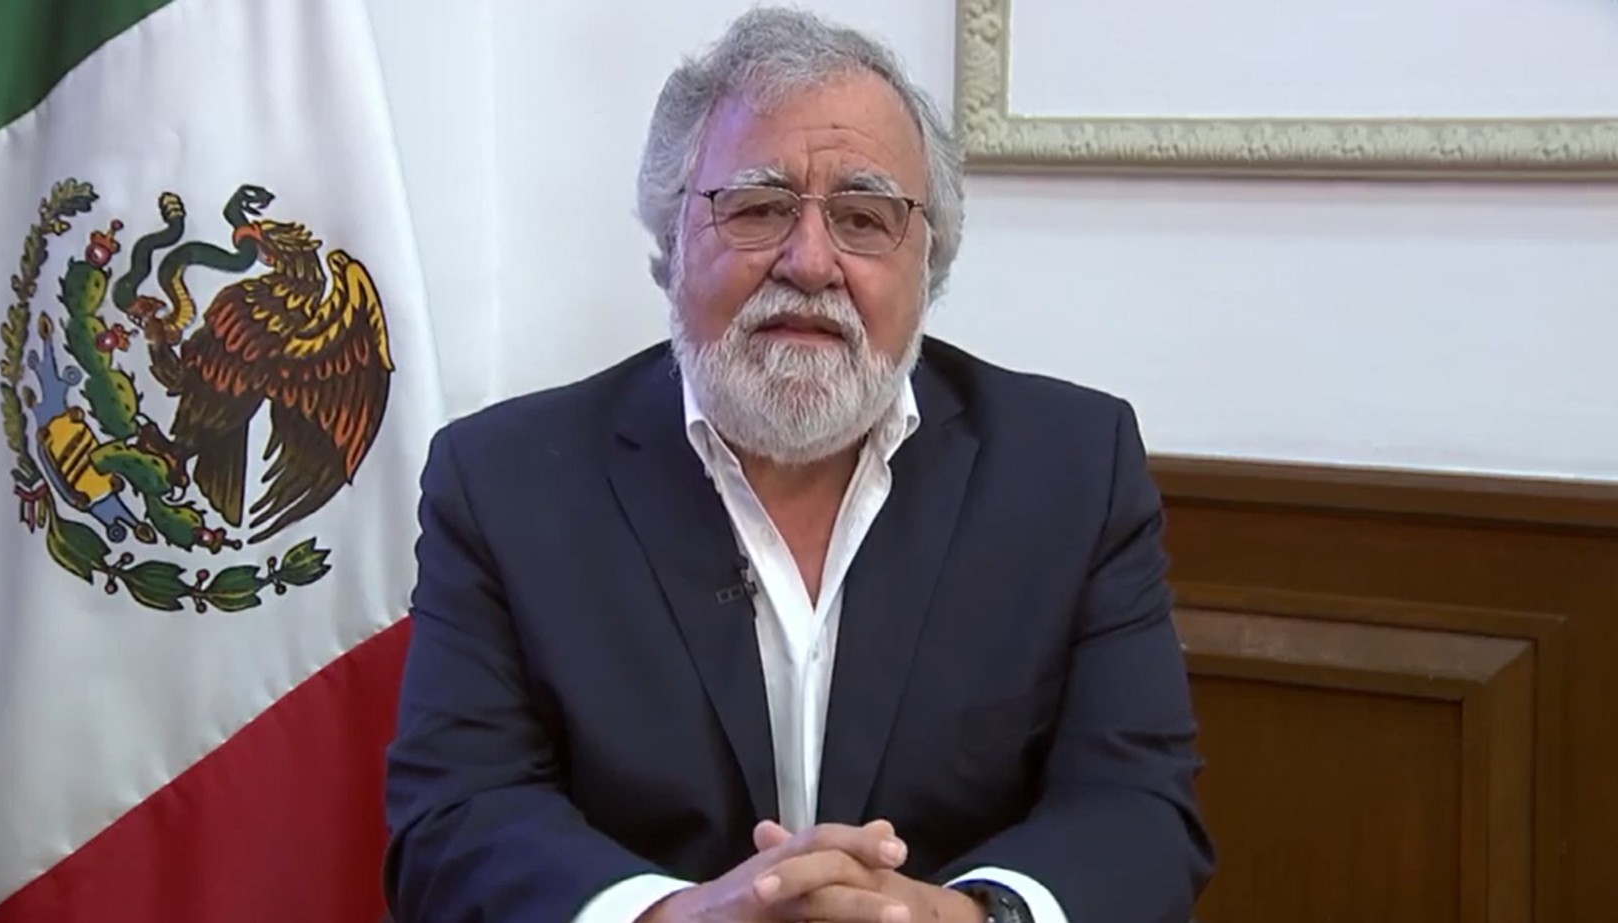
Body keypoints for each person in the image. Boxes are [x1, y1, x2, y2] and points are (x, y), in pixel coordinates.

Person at [382, 7, 1213, 922]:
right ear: (672, 242)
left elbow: (1138, 812)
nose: (810, 261)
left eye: (864, 217)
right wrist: (673, 917)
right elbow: (455, 818)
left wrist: (968, 917)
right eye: (757, 207)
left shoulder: (1070, 470)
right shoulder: (503, 482)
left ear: (928, 262)